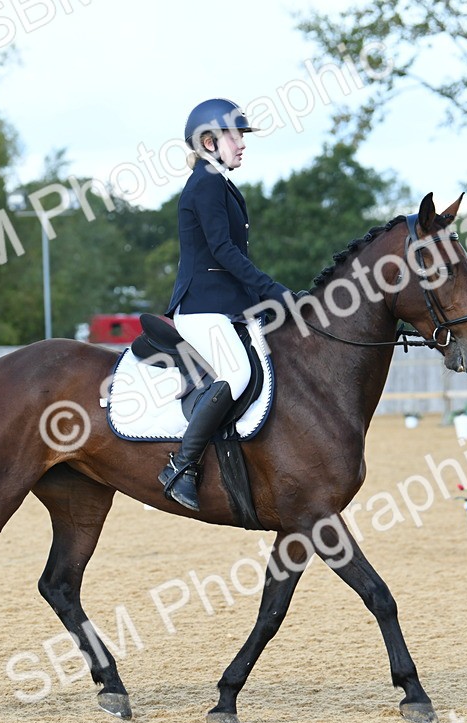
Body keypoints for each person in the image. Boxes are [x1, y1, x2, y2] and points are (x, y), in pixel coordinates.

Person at [158, 98, 294, 511]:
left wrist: (271, 302)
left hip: (227, 305)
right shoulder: (207, 183)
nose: (242, 144)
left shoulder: (219, 181)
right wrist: (273, 290)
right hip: (202, 307)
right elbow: (223, 251)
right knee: (237, 373)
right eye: (235, 136)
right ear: (208, 141)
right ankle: (182, 466)